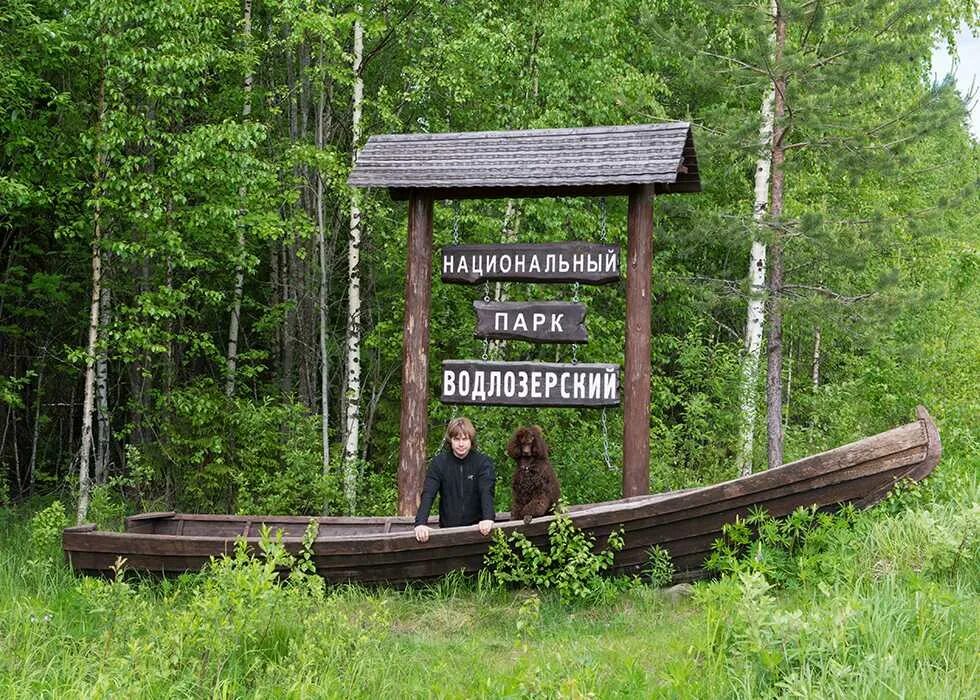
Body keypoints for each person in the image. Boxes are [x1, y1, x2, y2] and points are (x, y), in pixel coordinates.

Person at [414, 416, 495, 543]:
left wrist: (488, 518)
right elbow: (428, 493)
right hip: (448, 530)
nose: (461, 444)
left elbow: (486, 491)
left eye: (465, 439)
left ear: (471, 440)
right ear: (450, 440)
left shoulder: (483, 463)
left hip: (477, 530)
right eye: (456, 439)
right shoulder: (439, 463)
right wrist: (420, 523)